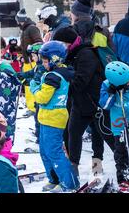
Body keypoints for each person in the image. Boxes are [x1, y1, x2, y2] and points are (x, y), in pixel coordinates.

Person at [52, 26, 115, 178]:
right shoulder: (70, 55)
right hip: (80, 104)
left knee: (105, 136)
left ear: (68, 42)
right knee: (73, 135)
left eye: (59, 43)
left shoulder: (86, 54)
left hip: (96, 104)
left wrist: (62, 84)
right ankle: (73, 171)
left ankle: (110, 165)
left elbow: (80, 82)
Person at [29, 41, 79, 192]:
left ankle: (69, 183)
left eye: (45, 61)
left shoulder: (53, 77)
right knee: (45, 150)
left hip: (53, 118)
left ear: (55, 60)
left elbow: (43, 98)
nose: (43, 64)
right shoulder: (57, 73)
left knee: (53, 151)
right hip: (47, 117)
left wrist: (34, 88)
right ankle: (54, 179)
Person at [99, 62, 129, 192]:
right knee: (121, 152)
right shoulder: (106, 85)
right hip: (118, 124)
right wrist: (111, 93)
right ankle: (123, 178)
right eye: (127, 82)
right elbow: (105, 105)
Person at [15, 9, 43, 118]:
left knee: (32, 84)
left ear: (20, 20)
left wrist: (32, 55)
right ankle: (31, 107)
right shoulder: (25, 30)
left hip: (32, 62)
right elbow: (24, 46)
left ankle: (34, 108)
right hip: (27, 61)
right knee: (27, 85)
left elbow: (39, 42)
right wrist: (19, 52)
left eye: (17, 21)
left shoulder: (32, 28)